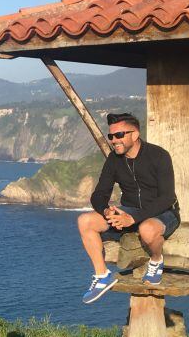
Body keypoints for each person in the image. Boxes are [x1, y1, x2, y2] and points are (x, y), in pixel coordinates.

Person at [77, 113, 180, 304]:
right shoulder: (114, 160)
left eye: (119, 135)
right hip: (129, 211)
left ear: (135, 134)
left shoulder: (158, 156)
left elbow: (167, 197)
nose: (114, 140)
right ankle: (102, 275)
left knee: (147, 229)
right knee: (85, 221)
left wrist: (134, 218)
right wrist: (107, 211)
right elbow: (99, 195)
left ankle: (156, 260)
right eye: (111, 136)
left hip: (163, 212)